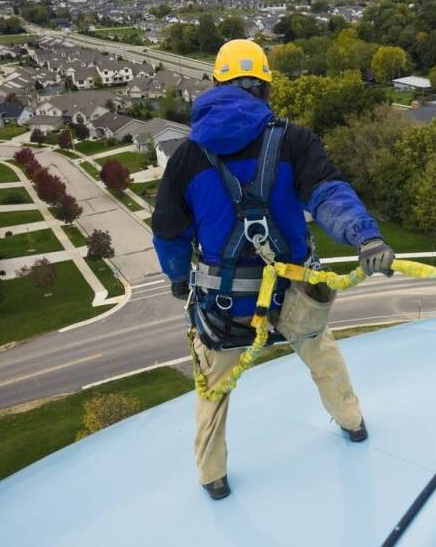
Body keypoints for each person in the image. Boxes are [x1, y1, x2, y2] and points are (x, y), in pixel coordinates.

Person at [151, 40, 395, 500]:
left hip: (226, 306)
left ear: (218, 84)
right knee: (323, 356)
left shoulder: (187, 157)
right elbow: (327, 194)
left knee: (213, 389)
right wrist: (366, 236)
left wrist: (179, 277)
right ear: (264, 86)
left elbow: (169, 233)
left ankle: (213, 477)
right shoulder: (293, 140)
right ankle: (353, 424)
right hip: (294, 295)